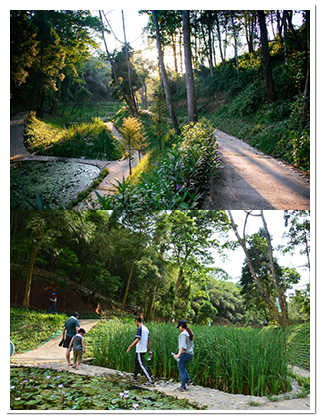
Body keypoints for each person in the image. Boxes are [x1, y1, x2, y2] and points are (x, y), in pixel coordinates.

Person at [127, 316, 154, 386]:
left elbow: (137, 339)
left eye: (135, 322)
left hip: (140, 350)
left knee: (142, 365)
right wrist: (150, 350)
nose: (135, 323)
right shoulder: (146, 329)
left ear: (137, 321)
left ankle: (150, 380)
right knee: (136, 362)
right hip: (144, 349)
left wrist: (130, 346)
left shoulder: (140, 329)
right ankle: (134, 377)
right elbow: (148, 341)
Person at [174, 320, 194, 391]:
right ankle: (188, 380)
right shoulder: (189, 333)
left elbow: (183, 346)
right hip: (190, 354)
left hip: (184, 354)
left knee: (181, 369)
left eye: (179, 327)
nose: (179, 328)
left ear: (181, 326)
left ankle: (183, 386)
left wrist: (178, 354)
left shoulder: (183, 334)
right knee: (182, 367)